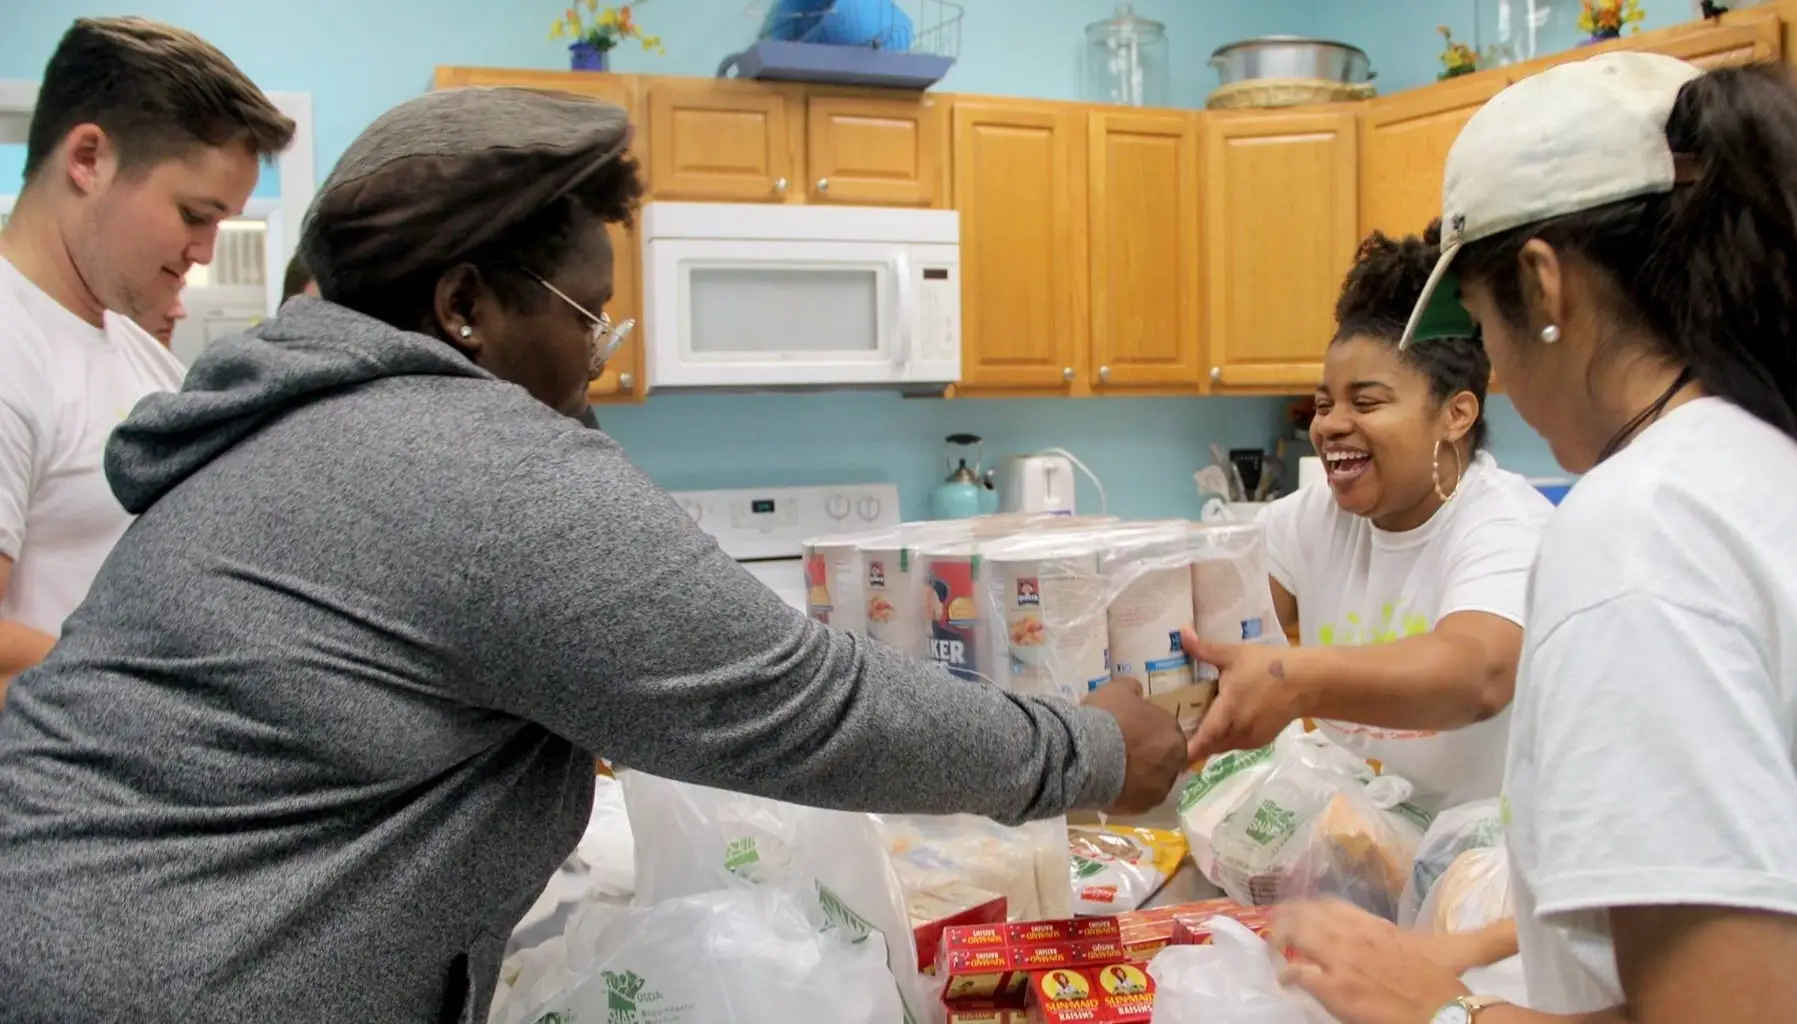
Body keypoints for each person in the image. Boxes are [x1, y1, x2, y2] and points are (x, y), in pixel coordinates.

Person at [0, 86, 1186, 1022]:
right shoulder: (471, 458)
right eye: (586, 321)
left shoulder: (290, 425)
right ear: (465, 306)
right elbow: (804, 707)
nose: (599, 365)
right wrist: (1091, 752)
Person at [1274, 53, 1797, 1024]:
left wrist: (1439, 1009)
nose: (1501, 378)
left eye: (1482, 322)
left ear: (1543, 287)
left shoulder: (1640, 533)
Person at [1183, 224, 1553, 815]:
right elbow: (1212, 628)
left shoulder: (1504, 527)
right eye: (1324, 403)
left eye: (1367, 401)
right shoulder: (1308, 520)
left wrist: (1294, 676)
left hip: (1476, 879)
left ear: (1455, 414)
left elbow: (1477, 672)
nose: (1329, 424)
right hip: (1350, 860)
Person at [0, 17, 292, 688]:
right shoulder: (10, 343)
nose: (206, 251)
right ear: (88, 159)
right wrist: (169, 692)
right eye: (195, 215)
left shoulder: (138, 352)